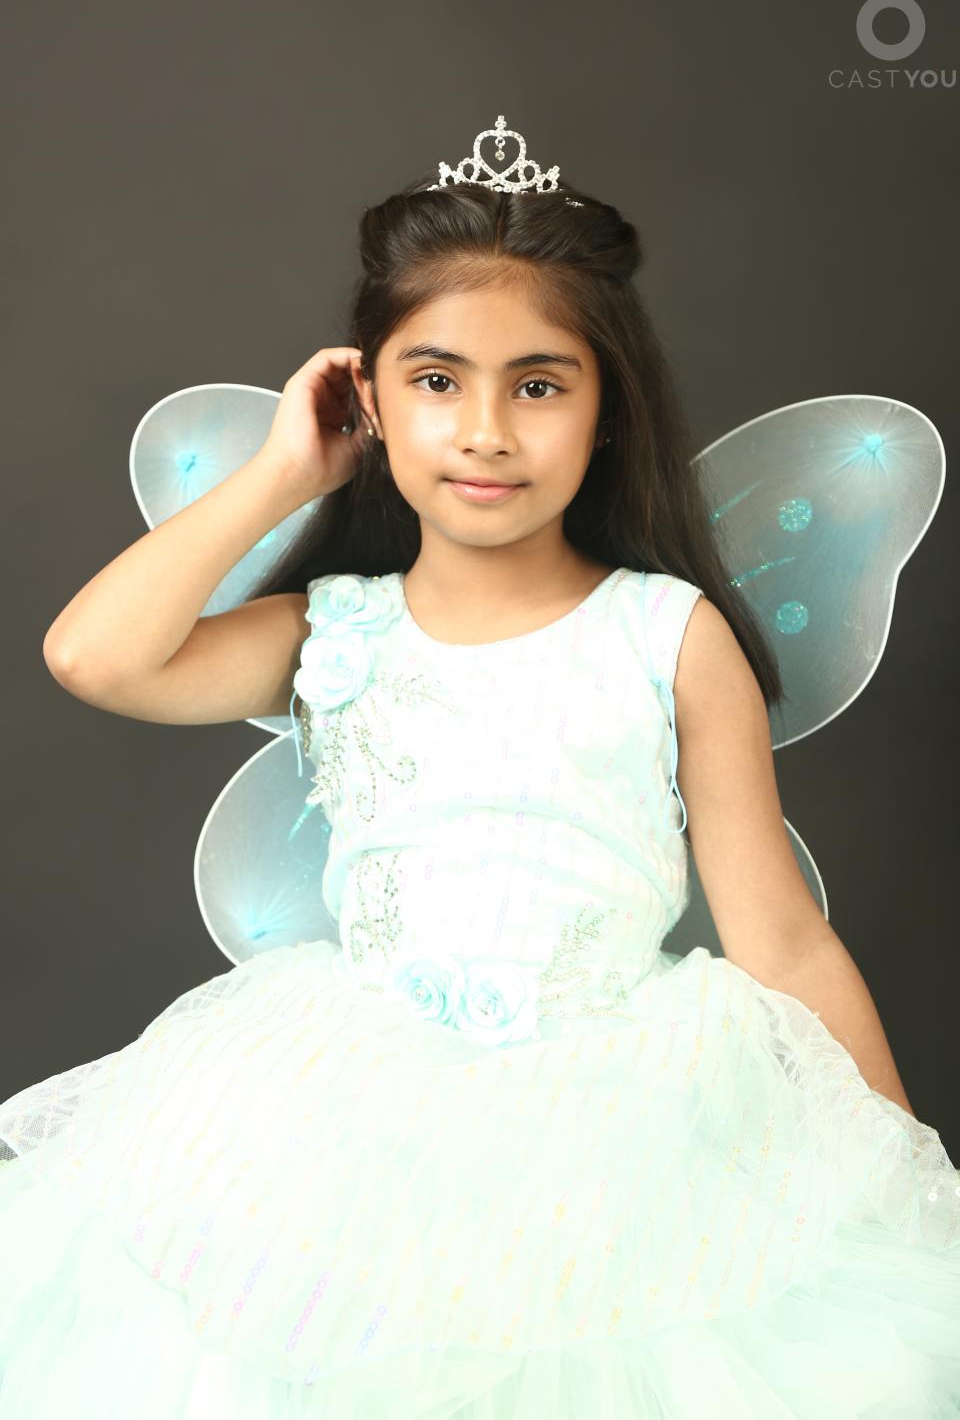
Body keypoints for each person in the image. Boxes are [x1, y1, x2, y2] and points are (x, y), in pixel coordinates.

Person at [1, 115, 958, 1416]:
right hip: (347, 1122)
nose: (487, 431)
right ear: (371, 401)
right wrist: (285, 471)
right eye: (437, 381)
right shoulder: (331, 632)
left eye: (540, 385)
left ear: (606, 409)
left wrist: (906, 1183)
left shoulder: (670, 637)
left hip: (624, 1129)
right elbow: (93, 658)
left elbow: (782, 941)